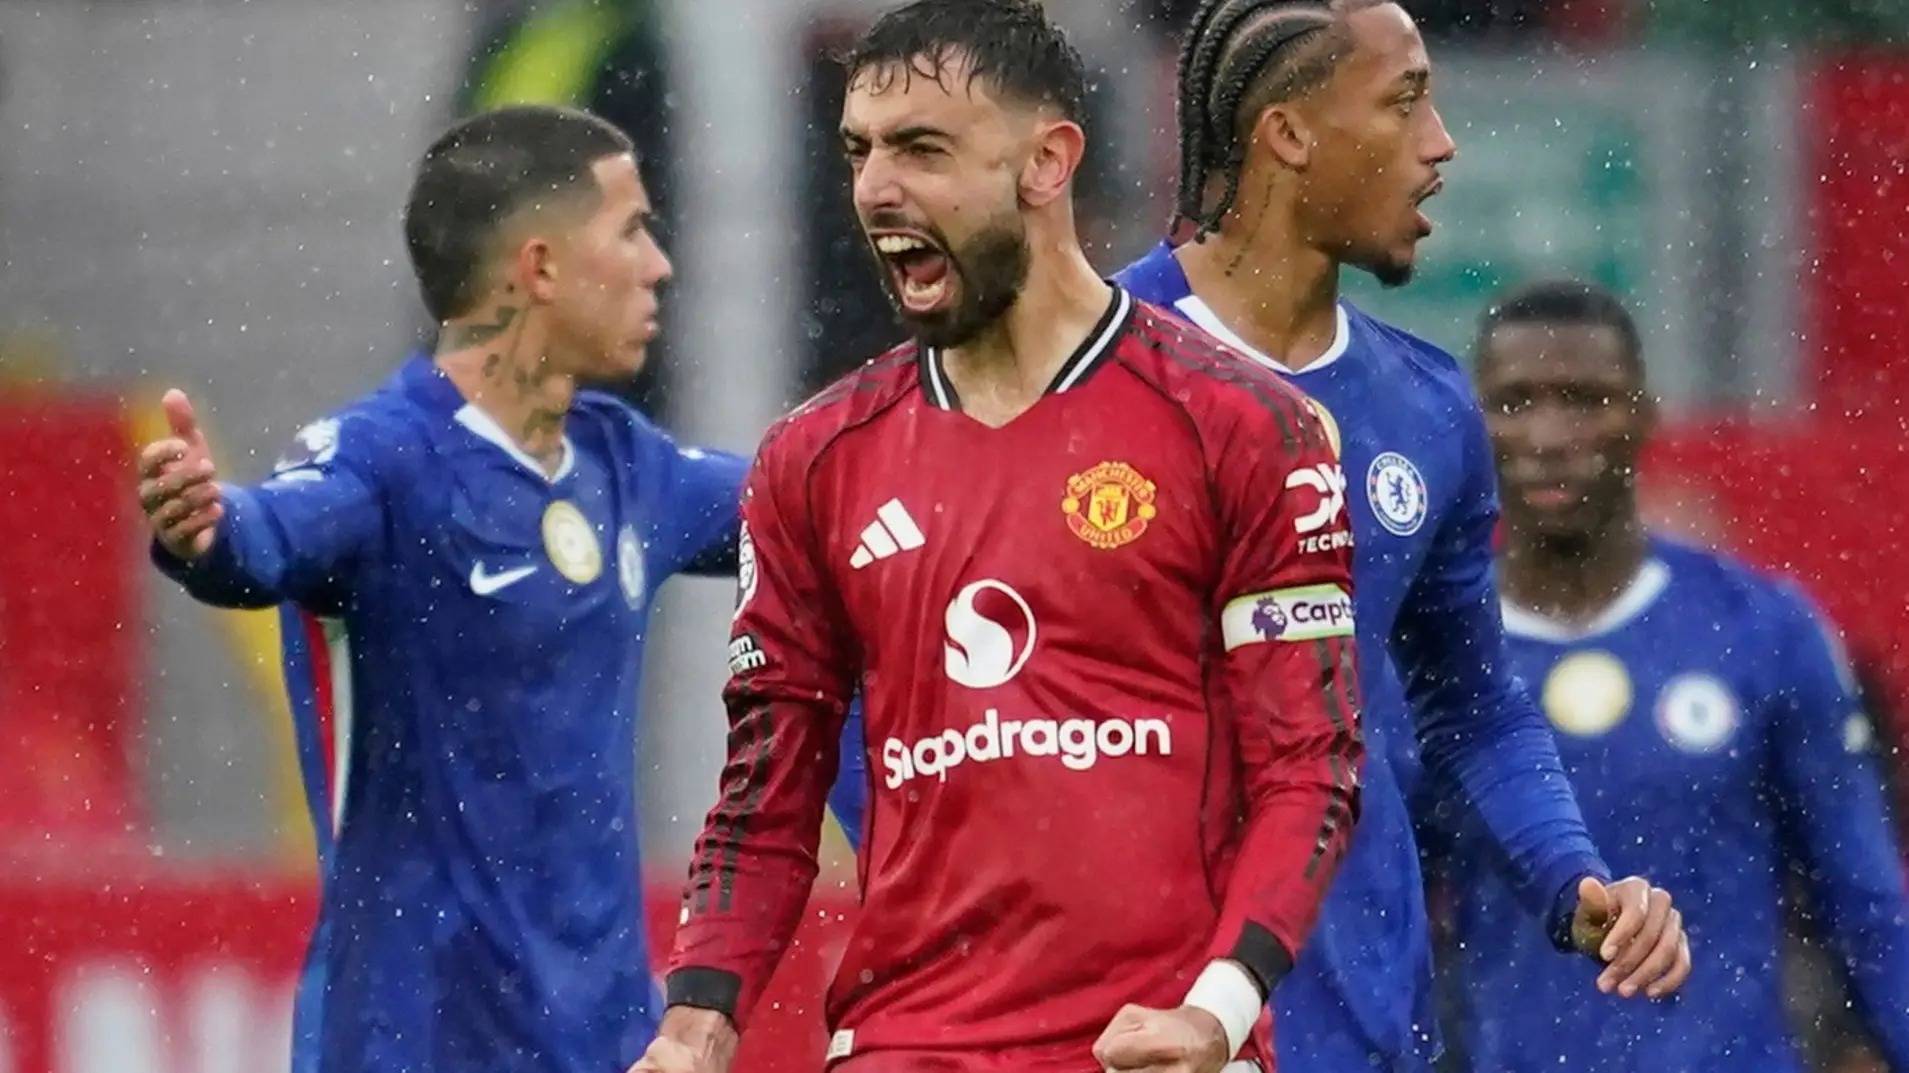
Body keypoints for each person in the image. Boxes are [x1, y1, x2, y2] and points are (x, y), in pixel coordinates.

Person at [631, 3, 1363, 1072]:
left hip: (1154, 1046)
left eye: (922, 148)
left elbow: (1311, 763)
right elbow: (765, 791)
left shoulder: (1241, 426)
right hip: (905, 1045)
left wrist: (1215, 1009)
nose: (876, 188)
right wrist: (695, 1025)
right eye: (859, 151)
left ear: (1047, 162)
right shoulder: (812, 459)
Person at [1104, 2, 1692, 1070]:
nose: (1441, 143)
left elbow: (1470, 706)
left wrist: (1573, 877)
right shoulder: (1088, 373)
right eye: (1404, 101)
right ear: (1288, 134)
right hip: (1116, 1024)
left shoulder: (1424, 407)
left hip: (1353, 1017)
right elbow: (908, 688)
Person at [136, 105, 746, 1073]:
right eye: (631, 230)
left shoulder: (629, 465)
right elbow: (264, 535)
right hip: (415, 1042)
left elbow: (820, 503)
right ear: (540, 267)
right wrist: (205, 527)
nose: (658, 265)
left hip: (606, 1045)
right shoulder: (385, 461)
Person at [1421, 279, 1909, 1072]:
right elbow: (1374, 910)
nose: (1548, 435)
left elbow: (1866, 903)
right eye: (1514, 402)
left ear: (1643, 415)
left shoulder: (1762, 629)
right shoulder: (1431, 651)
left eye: (1585, 400)